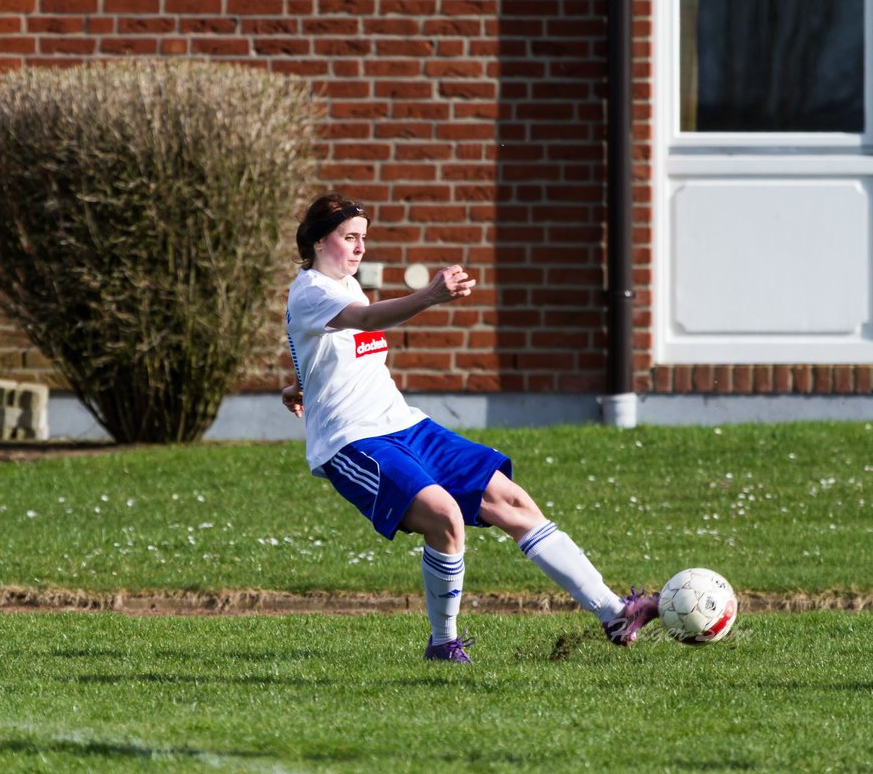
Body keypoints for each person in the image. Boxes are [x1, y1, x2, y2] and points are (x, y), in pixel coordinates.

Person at [282, 193, 658, 663]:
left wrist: (299, 386)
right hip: (353, 442)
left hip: (405, 424)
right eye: (349, 238)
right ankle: (443, 644)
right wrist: (430, 296)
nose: (359, 249)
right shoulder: (313, 289)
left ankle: (614, 612)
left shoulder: (343, 286)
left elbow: (328, 352)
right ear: (319, 241)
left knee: (513, 501)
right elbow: (365, 320)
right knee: (445, 518)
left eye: (363, 239)